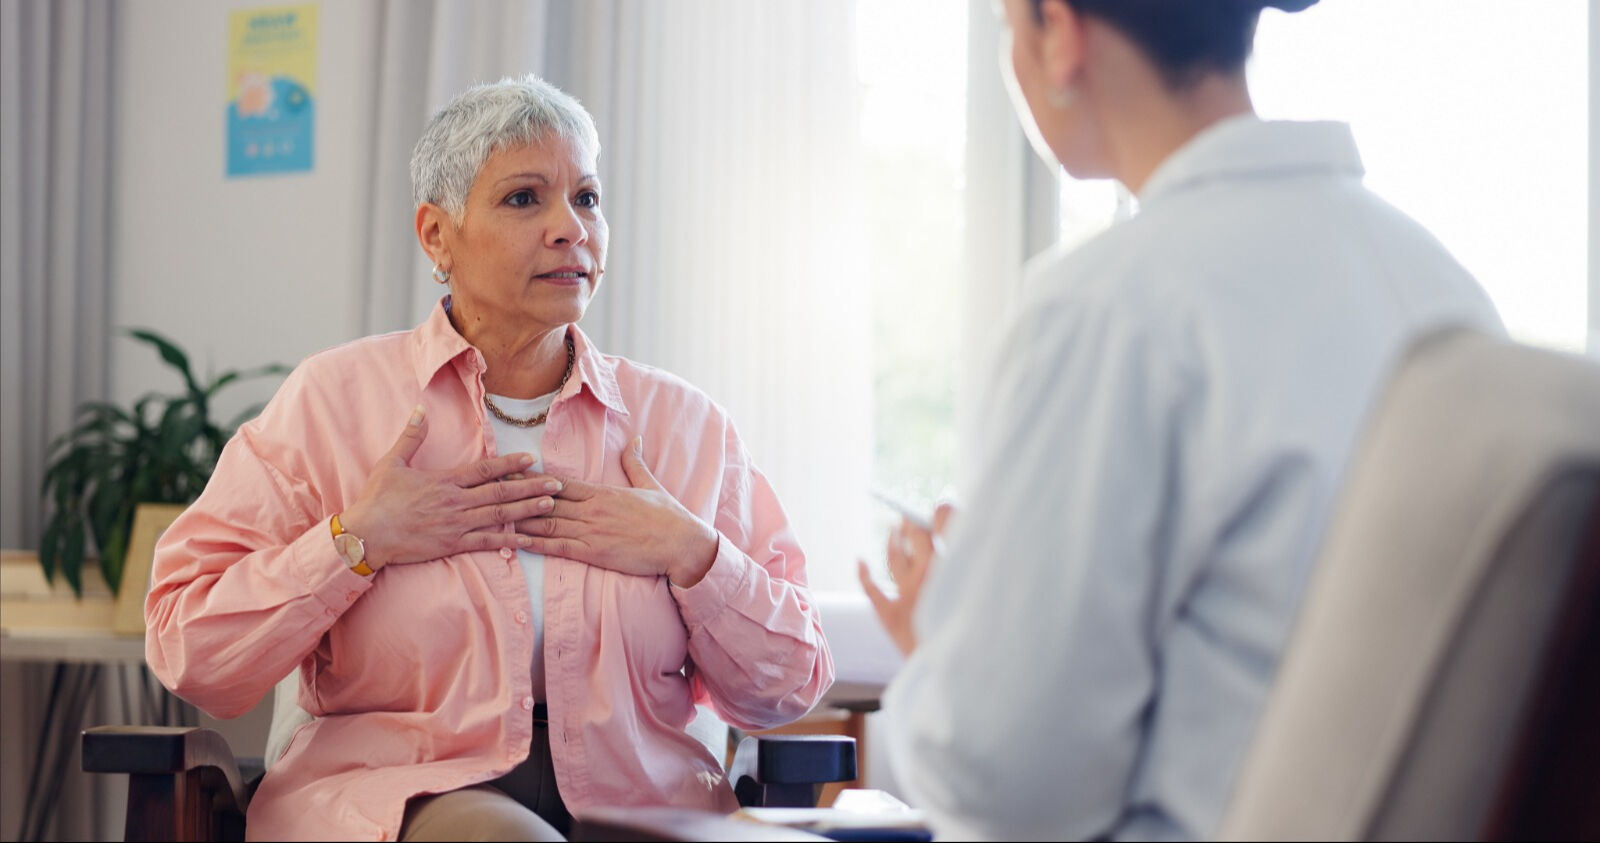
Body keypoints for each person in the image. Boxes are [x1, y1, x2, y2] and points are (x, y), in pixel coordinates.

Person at [858, 1, 1503, 840]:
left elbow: (1009, 786)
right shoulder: (1445, 289)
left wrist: (947, 655)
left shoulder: (1107, 309)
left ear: (1059, 32)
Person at [145, 73, 833, 842]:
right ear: (437, 235)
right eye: (524, 198)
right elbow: (190, 647)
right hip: (408, 797)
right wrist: (355, 542)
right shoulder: (333, 403)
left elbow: (791, 681)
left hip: (644, 807)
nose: (570, 227)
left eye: (588, 198)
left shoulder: (684, 425)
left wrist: (693, 553)